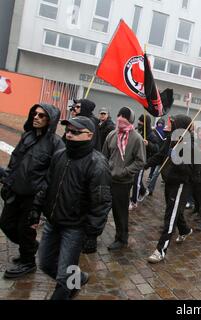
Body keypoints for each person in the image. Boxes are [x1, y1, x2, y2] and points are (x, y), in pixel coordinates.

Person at [34, 116, 111, 300]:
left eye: (75, 132)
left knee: (63, 276)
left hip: (75, 228)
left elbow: (101, 203)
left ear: (89, 135)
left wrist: (92, 234)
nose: (69, 135)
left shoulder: (97, 163)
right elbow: (46, 184)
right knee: (45, 263)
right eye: (68, 130)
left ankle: (67, 289)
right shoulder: (60, 154)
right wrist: (35, 210)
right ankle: (78, 279)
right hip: (52, 222)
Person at [0, 104, 64, 279]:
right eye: (35, 114)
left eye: (42, 116)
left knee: (25, 229)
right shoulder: (27, 136)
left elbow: (53, 176)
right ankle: (29, 246)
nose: (36, 117)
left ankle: (28, 262)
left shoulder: (56, 144)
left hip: (34, 196)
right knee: (6, 223)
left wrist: (40, 201)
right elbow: (14, 162)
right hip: (16, 191)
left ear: (49, 120)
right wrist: (7, 183)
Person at [146, 115, 195, 263]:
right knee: (174, 210)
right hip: (169, 181)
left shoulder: (191, 145)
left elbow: (189, 170)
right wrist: (144, 164)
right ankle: (185, 230)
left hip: (180, 184)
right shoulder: (171, 139)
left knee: (170, 216)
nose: (170, 125)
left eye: (173, 124)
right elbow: (160, 155)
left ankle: (160, 250)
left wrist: (176, 158)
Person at [103, 107, 146, 251]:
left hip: (123, 182)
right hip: (108, 179)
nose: (121, 118)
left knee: (120, 211)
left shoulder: (136, 138)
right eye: (119, 115)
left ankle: (121, 238)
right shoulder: (112, 135)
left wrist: (125, 171)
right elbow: (104, 155)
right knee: (101, 208)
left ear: (131, 120)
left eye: (125, 116)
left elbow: (140, 161)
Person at [130, 114, 159, 210]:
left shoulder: (151, 134)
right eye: (139, 120)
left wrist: (148, 144)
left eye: (142, 121)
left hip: (142, 160)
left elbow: (156, 148)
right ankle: (143, 191)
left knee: (136, 181)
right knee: (135, 178)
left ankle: (134, 201)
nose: (139, 123)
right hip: (133, 158)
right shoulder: (137, 129)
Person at [145, 118, 166, 196]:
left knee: (158, 172)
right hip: (156, 153)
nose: (160, 125)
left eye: (161, 124)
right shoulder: (154, 131)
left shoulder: (165, 133)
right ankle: (150, 188)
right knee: (154, 172)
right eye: (159, 123)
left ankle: (163, 180)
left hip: (163, 155)